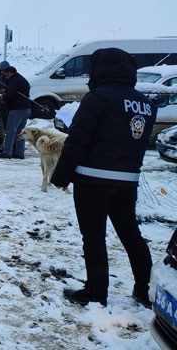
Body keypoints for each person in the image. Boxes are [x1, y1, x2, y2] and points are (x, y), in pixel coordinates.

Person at [51, 48, 157, 308]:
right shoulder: (144, 103)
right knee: (132, 235)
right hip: (127, 181)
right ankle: (145, 290)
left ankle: (96, 292)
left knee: (94, 237)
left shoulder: (98, 98)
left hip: (92, 179)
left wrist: (61, 176)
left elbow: (78, 140)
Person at [0, 64, 31, 159]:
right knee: (20, 132)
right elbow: (16, 91)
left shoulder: (13, 80)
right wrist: (6, 90)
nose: (5, 76)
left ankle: (7, 152)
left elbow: (11, 93)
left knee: (11, 131)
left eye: (6, 74)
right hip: (26, 109)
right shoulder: (21, 79)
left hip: (17, 109)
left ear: (10, 72)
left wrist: (4, 98)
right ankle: (19, 152)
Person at [0, 61, 11, 149]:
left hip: (8, 106)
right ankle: (4, 144)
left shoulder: (10, 79)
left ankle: (7, 145)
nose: (1, 72)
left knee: (8, 126)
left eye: (3, 70)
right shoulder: (1, 78)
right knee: (3, 125)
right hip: (2, 105)